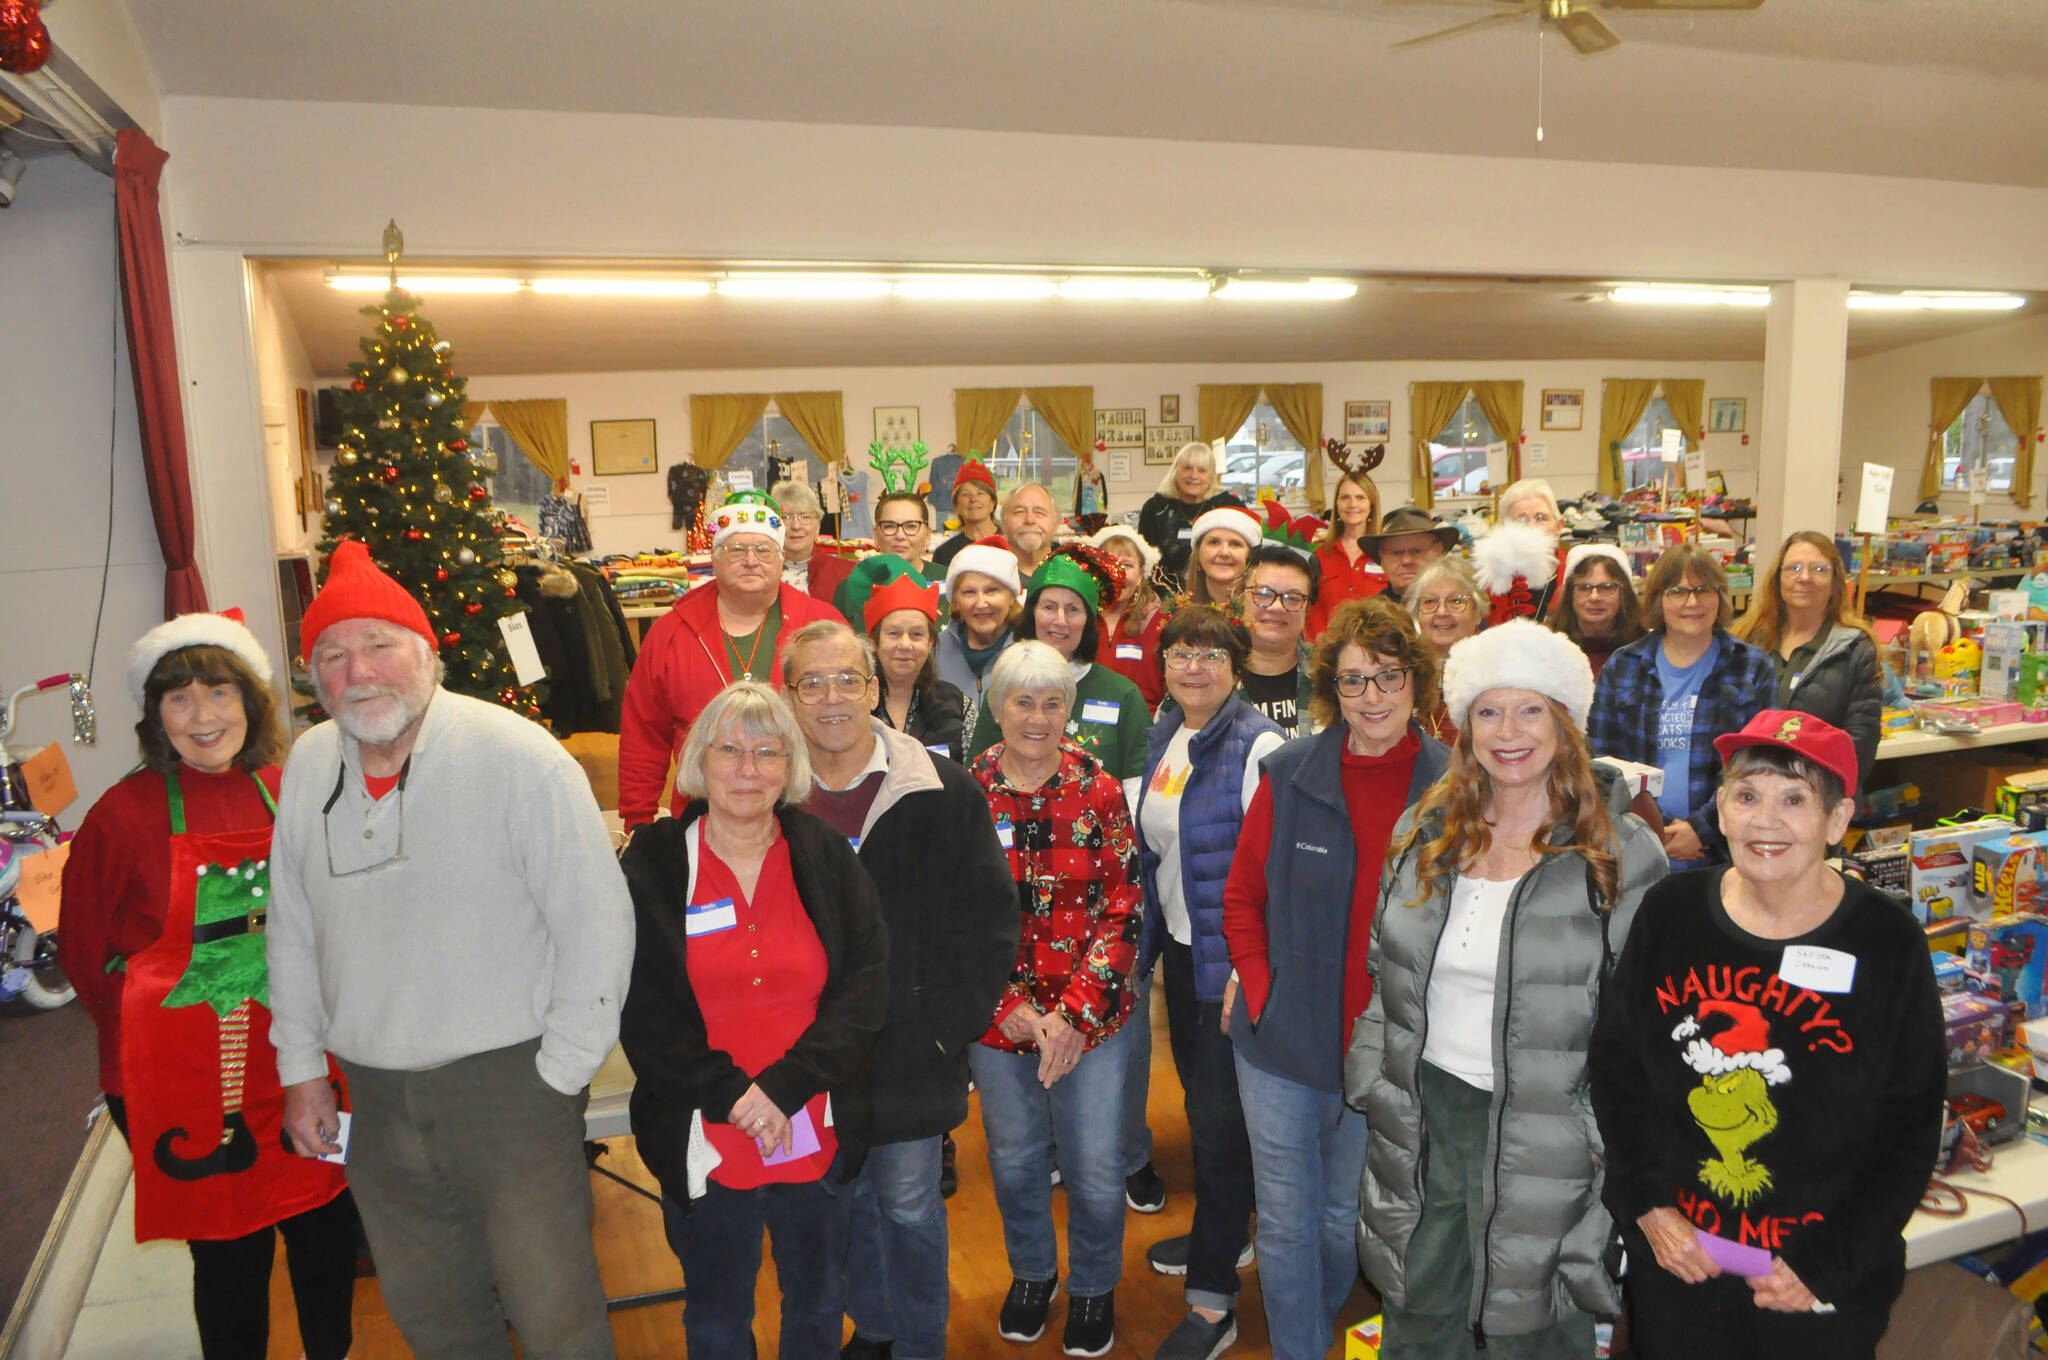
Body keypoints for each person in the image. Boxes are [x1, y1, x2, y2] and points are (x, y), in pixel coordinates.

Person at [268, 540, 635, 1360]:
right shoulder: (308, 766)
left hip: (512, 1088)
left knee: (556, 1315)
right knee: (432, 1312)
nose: (357, 671)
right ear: (311, 676)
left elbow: (596, 923)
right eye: (332, 654)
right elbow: (290, 927)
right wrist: (300, 1072)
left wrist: (561, 1074)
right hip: (374, 1093)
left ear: (426, 654)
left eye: (379, 645)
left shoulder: (518, 758)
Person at [1345, 619, 1668, 1360]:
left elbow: (1644, 1028)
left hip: (1546, 1135)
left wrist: (1598, 1139)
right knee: (1419, 1315)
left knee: (1533, 1330)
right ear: (1464, 727)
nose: (1509, 731)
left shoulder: (1622, 855)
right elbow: (1382, 968)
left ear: (1565, 723)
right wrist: (1375, 1072)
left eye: (1531, 710)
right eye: (1489, 711)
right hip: (1425, 1117)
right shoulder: (1427, 830)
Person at [1589, 711, 1944, 1360]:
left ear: (1838, 820)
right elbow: (1618, 1069)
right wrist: (1646, 1203)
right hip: (1683, 1265)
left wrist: (1827, 1262)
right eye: (1748, 796)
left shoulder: (1886, 944)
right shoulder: (1671, 914)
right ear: (1720, 810)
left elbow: (1909, 1130)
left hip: (1812, 1282)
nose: (1766, 820)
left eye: (1795, 799)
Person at [60, 609, 356, 1360]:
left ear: (250, 702)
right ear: (155, 715)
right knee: (229, 1254)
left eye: (220, 693)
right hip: (186, 1085)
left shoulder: (293, 789)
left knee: (323, 1230)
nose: (203, 716)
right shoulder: (120, 816)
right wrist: (158, 1038)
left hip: (303, 1062)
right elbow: (87, 953)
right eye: (180, 698)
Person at [616, 682, 889, 1360]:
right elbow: (642, 1010)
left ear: (790, 766)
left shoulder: (823, 853)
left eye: (768, 752)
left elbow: (867, 984)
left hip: (812, 1121)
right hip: (706, 1132)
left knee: (820, 1301)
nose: (747, 768)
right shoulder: (653, 862)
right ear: (698, 764)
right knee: (716, 1313)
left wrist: (786, 1088)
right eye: (730, 751)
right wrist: (737, 1095)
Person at [777, 621, 1018, 1360]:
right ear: (788, 698)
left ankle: (918, 1343)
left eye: (848, 679)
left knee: (910, 1204)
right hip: (808, 1055)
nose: (831, 698)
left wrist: (947, 1027)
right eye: (811, 683)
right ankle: (873, 1329)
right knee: (837, 1202)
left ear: (875, 689)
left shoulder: (942, 791)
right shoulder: (770, 800)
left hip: (915, 1048)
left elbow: (989, 922)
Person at [1222, 597, 1449, 1360]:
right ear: (1332, 690)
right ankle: (1300, 1350)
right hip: (1282, 1044)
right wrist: (1260, 986)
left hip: (1388, 1052)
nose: (1372, 698)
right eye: (1354, 682)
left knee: (1340, 1218)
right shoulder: (1290, 773)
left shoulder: (1455, 788)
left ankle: (1313, 1330)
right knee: (1285, 1221)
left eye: (1388, 677)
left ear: (1417, 681)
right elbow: (1241, 895)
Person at [969, 641, 1144, 1358]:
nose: (1037, 718)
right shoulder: (964, 792)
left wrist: (1072, 1016)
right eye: (1022, 701)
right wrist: (1005, 1005)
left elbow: (1126, 904)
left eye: (1052, 703)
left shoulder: (1098, 789)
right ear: (996, 708)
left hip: (1092, 1022)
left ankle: (1096, 1284)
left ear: (1069, 711)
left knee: (1096, 1167)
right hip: (999, 1018)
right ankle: (1034, 1274)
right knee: (1013, 1163)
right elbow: (952, 913)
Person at [1132, 607, 1286, 1360]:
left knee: (1222, 1129)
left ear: (1237, 664)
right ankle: (1227, 1235)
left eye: (1210, 655)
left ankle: (1211, 1303)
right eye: (1180, 655)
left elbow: (1275, 875)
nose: (1194, 668)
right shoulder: (1170, 737)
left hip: (1232, 968)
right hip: (1186, 960)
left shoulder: (1259, 744)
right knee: (1207, 1114)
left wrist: (1247, 974)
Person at [619, 490, 843, 826]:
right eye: (737, 548)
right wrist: (638, 823)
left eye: (763, 550)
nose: (751, 560)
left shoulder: (822, 626)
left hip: (807, 817)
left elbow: (847, 723)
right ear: (715, 556)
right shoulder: (670, 634)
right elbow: (642, 738)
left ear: (781, 558)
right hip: (702, 822)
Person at [1589, 545, 1777, 870]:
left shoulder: (1752, 668)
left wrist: (1701, 831)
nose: (1692, 602)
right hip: (1638, 851)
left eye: (1703, 590)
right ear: (1658, 601)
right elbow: (1603, 763)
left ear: (1720, 597)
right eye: (1677, 591)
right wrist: (1655, 828)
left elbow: (1759, 764)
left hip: (1724, 853)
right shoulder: (1624, 666)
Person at [965, 543, 1152, 780]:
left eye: (1073, 609)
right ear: (1031, 614)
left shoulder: (1122, 694)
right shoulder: (1005, 689)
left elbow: (1139, 783)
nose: (1060, 620)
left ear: (1089, 621)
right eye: (1049, 607)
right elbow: (977, 777)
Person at [1732, 531, 1884, 793]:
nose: (1805, 577)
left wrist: (1804, 793)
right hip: (1749, 796)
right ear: (1778, 578)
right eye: (1794, 568)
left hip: (1820, 804)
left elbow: (1859, 746)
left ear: (1835, 581)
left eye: (1819, 569)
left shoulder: (1856, 649)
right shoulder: (1745, 642)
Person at [858, 557, 969, 763]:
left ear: (930, 643)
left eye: (917, 635)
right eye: (893, 633)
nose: (905, 645)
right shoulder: (855, 703)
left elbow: (973, 776)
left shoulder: (958, 705)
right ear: (875, 641)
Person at [936, 537, 1023, 740]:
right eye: (969, 592)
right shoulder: (934, 652)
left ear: (1011, 597)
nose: (981, 603)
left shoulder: (1029, 652)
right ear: (955, 600)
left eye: (992, 591)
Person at [1237, 542, 1320, 737]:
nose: (1277, 607)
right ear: (1241, 598)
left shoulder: (1331, 672)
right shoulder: (1206, 670)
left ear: (1308, 608)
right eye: (1263, 594)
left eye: (1293, 597)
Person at [1139, 442, 1246, 588]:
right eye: (1187, 468)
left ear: (1212, 475)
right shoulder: (1155, 507)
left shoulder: (1229, 506)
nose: (1194, 475)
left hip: (1219, 591)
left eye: (1202, 470)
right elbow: (1143, 559)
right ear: (1176, 471)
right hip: (1162, 593)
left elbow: (1246, 554)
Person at [1092, 523, 1167, 710]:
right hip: (1084, 725)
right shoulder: (1078, 618)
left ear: (1141, 574)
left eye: (1126, 565)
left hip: (1144, 726)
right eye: (1108, 563)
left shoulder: (1161, 621)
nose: (1117, 573)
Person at [1304, 469, 1387, 639]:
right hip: (1327, 652)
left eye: (1360, 497)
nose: (1352, 504)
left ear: (1372, 505)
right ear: (1336, 505)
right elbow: (1311, 608)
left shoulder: (1386, 553)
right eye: (1345, 498)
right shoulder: (1318, 554)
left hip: (1376, 650)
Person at [1546, 544, 1645, 678]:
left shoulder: (1647, 650)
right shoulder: (1547, 649)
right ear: (1570, 595)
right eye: (1584, 587)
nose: (1594, 597)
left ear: (1624, 594)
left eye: (1607, 587)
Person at [1490, 478, 1568, 620]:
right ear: (1504, 530)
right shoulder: (1488, 583)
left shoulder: (1575, 577)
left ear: (1559, 527)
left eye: (1541, 518)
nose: (1532, 527)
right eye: (1521, 520)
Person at [772, 478, 854, 609]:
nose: (796, 525)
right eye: (786, 517)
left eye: (804, 517)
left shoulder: (846, 574)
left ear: (818, 526)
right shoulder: (760, 573)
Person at [1359, 507, 1458, 599]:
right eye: (1396, 553)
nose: (1406, 560)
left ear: (1438, 552)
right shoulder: (1370, 614)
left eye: (1417, 551)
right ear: (1381, 558)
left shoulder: (1459, 608)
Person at [1404, 556, 1488, 664]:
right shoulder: (1402, 670)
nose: (1442, 612)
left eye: (1455, 601)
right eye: (1430, 601)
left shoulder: (1500, 667)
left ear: (1477, 612)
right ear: (1416, 612)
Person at [1186, 505, 1262, 609]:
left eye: (1235, 544)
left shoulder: (1265, 616)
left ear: (1250, 555)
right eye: (1214, 542)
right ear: (1198, 553)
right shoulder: (1169, 616)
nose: (1224, 552)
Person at [932, 454, 1002, 568]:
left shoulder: (1011, 544)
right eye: (966, 494)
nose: (973, 499)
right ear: (956, 505)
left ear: (993, 503)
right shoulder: (944, 553)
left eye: (980, 493)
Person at [1001, 482, 1061, 577]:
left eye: (1039, 513)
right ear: (1004, 524)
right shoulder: (987, 574)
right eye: (1019, 512)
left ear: (1056, 524)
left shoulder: (1075, 573)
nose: (1029, 520)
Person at [1073, 444, 1111, 535]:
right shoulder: (1084, 475)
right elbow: (1079, 494)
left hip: (1095, 510)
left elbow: (1103, 491)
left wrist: (1105, 503)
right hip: (1088, 510)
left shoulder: (1095, 474)